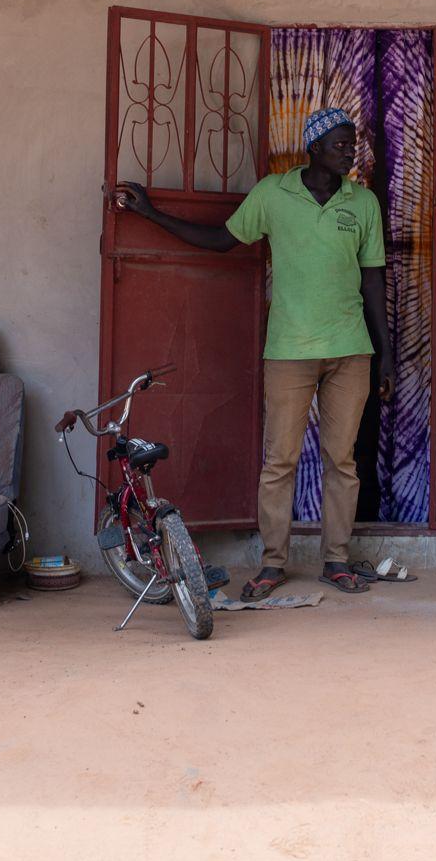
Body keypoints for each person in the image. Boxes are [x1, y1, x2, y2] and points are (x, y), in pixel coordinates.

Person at [117, 107, 393, 597]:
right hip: (289, 350)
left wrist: (384, 355)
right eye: (340, 144)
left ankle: (336, 560)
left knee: (342, 461)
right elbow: (223, 239)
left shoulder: (363, 203)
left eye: (353, 144)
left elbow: (373, 279)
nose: (350, 151)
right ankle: (272, 564)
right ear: (314, 147)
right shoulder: (273, 193)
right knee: (280, 461)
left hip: (351, 351)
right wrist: (150, 214)